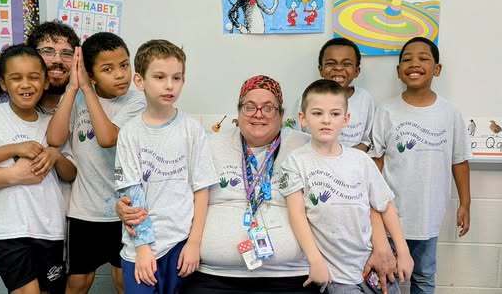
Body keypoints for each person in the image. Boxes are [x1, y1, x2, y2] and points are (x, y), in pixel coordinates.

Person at [118, 75, 397, 294]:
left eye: (268, 107)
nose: (258, 114)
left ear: (283, 114)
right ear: (238, 112)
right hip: (213, 276)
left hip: (291, 277)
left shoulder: (306, 145)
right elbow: (168, 184)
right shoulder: (209, 144)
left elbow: (357, 190)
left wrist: (381, 243)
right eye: (249, 107)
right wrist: (124, 204)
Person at [0, 44, 77, 293]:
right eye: (16, 78)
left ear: (45, 82)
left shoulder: (52, 124)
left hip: (51, 230)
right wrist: (14, 148)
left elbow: (70, 174)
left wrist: (55, 155)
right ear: (3, 83)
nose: (26, 84)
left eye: (34, 77)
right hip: (10, 230)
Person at [280, 79, 413, 294]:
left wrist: (404, 251)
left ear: (346, 119)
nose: (326, 120)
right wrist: (315, 261)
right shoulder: (296, 162)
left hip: (372, 266)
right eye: (317, 113)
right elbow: (297, 216)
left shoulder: (360, 160)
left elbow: (386, 206)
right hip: (336, 276)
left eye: (334, 114)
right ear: (303, 119)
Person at [115, 39, 217, 293]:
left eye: (177, 77)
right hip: (141, 251)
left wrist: (194, 243)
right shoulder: (130, 133)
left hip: (181, 247)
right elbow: (131, 193)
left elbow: (202, 190)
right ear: (140, 81)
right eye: (159, 77)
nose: (169, 85)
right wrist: (142, 248)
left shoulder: (191, 129)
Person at [47, 32, 145, 294]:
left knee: (125, 281)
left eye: (124, 65)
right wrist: (73, 89)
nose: (121, 74)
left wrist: (87, 89)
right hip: (84, 211)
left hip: (124, 211)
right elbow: (54, 138)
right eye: (108, 69)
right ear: (90, 73)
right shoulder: (76, 98)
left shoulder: (137, 100)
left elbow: (107, 137)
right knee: (78, 283)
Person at [371, 37, 471, 294]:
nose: (414, 64)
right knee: (387, 276)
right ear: (398, 71)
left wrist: (465, 203)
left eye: (423, 58)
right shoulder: (386, 110)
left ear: (437, 69)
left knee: (424, 276)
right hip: (391, 215)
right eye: (407, 59)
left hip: (428, 215)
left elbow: (459, 160)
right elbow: (376, 162)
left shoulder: (449, 113)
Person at [0, 21, 79, 191]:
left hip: (70, 216)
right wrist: (16, 174)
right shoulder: (9, 111)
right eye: (47, 51)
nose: (57, 60)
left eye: (67, 53)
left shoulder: (86, 106)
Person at [290, 38, 375, 152]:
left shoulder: (365, 99)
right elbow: (297, 138)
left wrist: (345, 158)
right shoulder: (307, 98)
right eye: (331, 63)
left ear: (356, 71)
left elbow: (367, 141)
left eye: (346, 64)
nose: (338, 68)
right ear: (321, 70)